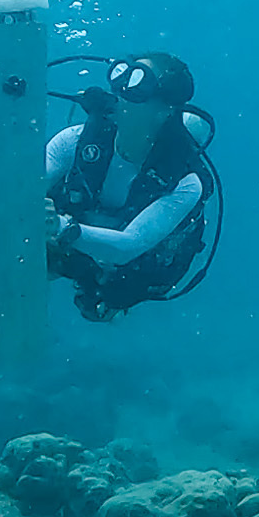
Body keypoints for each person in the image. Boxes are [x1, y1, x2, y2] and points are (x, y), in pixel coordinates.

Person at [45, 53, 215, 321]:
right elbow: (21, 187)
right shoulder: (73, 141)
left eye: (137, 85)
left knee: (122, 283)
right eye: (120, 80)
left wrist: (59, 227)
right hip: (78, 234)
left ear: (165, 110)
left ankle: (99, 294)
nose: (120, 95)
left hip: (134, 264)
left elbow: (129, 246)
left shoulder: (185, 181)